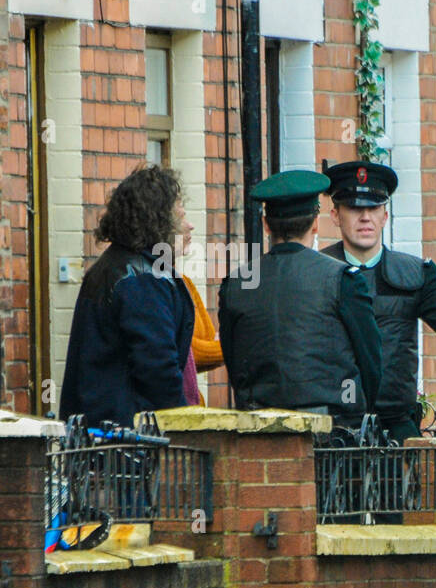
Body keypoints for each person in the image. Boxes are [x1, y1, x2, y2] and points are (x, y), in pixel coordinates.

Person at [218, 170, 381, 427]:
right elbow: (370, 361)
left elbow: (234, 362)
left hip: (258, 432)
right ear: (315, 224)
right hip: (332, 434)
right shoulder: (343, 279)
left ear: (266, 224)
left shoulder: (236, 284)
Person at [320, 160, 436, 441]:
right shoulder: (316, 272)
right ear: (335, 215)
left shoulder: (416, 274)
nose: (365, 217)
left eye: (373, 208)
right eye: (355, 209)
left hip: (397, 426)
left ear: (385, 216)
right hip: (333, 429)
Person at [60, 165, 195, 427]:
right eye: (180, 215)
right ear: (158, 221)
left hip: (98, 432)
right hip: (128, 438)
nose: (188, 225)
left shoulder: (109, 267)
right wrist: (183, 425)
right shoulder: (143, 279)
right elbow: (158, 368)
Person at [176, 216, 224, 406]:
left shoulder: (185, 282)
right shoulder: (153, 284)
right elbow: (188, 351)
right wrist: (230, 344)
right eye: (180, 218)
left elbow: (207, 337)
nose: (191, 225)